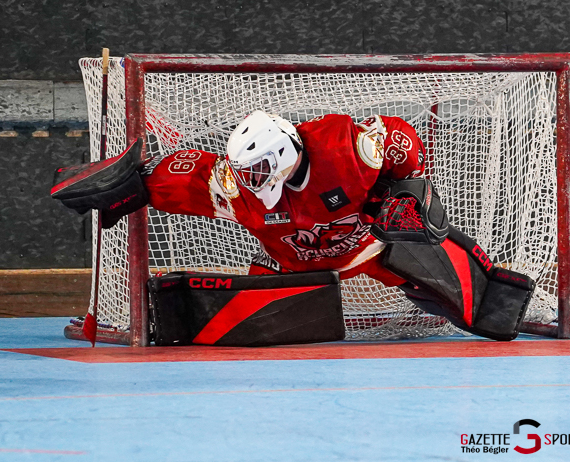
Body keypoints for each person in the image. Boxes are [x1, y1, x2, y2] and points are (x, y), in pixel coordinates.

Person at [52, 110, 536, 342]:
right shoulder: (234, 186)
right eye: (243, 172)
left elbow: (400, 142)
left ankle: (494, 297)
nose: (248, 181)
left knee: (489, 312)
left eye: (258, 170)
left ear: (284, 156)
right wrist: (132, 180)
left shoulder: (347, 150)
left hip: (368, 249)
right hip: (290, 268)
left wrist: (409, 188)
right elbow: (182, 176)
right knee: (249, 339)